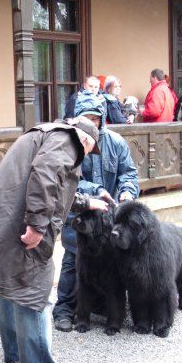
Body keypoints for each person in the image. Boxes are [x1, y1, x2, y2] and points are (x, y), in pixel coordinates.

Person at [0, 115, 108, 363]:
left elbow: (56, 187)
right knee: (35, 289)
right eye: (89, 151)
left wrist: (87, 203)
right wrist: (37, 225)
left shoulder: (47, 134)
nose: (86, 156)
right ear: (85, 139)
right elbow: (45, 176)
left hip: (4, 216)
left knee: (10, 283)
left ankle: (16, 352)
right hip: (22, 221)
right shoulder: (68, 140)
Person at [53, 90, 139, 332]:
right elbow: (68, 180)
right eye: (87, 118)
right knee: (72, 261)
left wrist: (127, 193)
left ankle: (102, 305)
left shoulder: (116, 142)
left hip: (109, 218)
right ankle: (65, 310)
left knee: (109, 264)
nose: (93, 123)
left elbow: (128, 173)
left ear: (102, 118)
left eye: (96, 118)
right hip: (80, 214)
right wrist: (96, 189)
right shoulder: (70, 146)